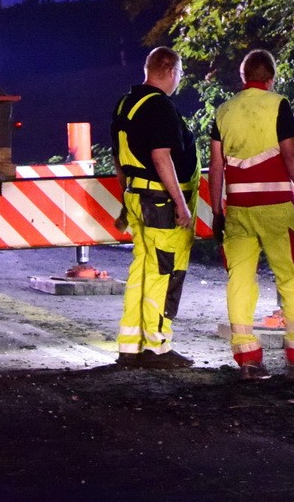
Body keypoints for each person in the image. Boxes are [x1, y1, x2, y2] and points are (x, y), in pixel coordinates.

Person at [208, 49, 294, 382]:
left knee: (240, 280)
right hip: (276, 210)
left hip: (239, 211)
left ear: (244, 78)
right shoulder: (277, 104)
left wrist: (217, 211)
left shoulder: (224, 111)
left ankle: (248, 356)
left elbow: (216, 166)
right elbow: (290, 154)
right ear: (270, 78)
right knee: (292, 277)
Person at [111, 47, 200, 368]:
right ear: (172, 71)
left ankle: (130, 345)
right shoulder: (160, 106)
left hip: (137, 197)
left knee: (143, 270)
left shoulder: (127, 103)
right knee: (165, 270)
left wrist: (126, 198)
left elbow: (119, 159)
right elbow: (162, 157)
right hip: (160, 202)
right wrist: (181, 203)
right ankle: (158, 347)